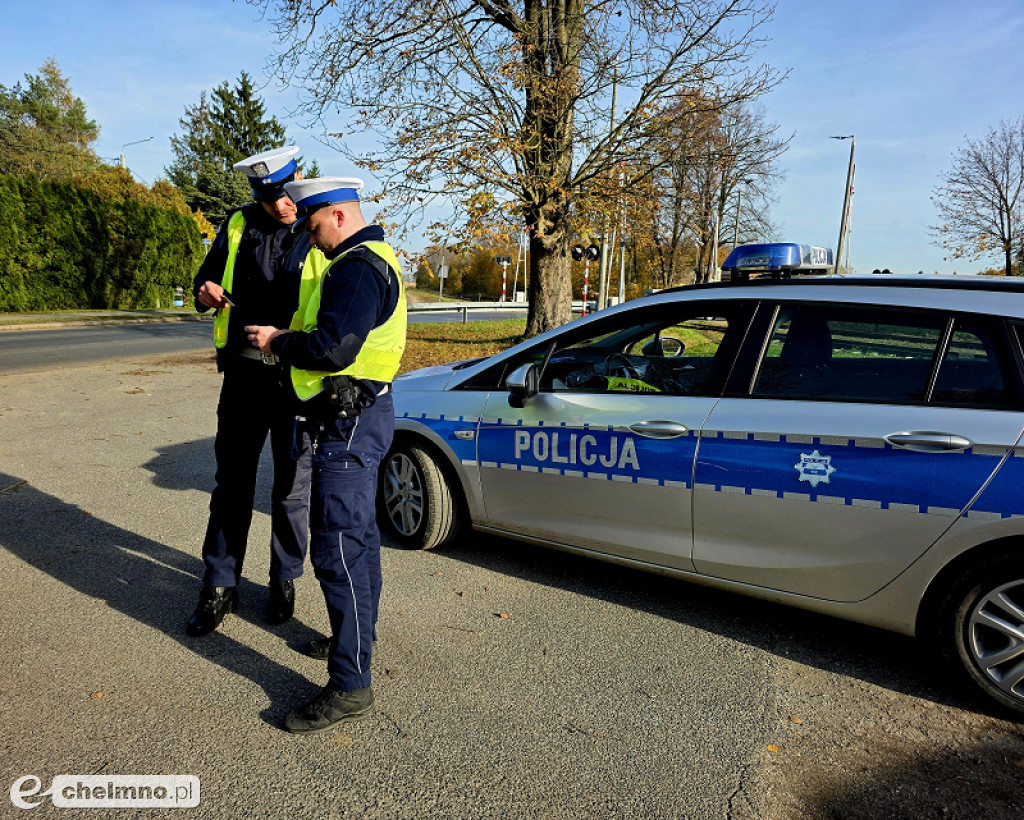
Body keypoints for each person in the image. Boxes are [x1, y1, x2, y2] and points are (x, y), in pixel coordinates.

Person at [246, 176, 407, 734]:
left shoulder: (357, 268)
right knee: (357, 545)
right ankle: (352, 643)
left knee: (339, 552)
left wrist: (276, 341)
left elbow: (333, 346)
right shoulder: (369, 259)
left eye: (313, 226)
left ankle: (350, 686)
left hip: (349, 423)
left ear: (338, 215)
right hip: (355, 416)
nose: (310, 239)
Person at [186, 146, 327, 638]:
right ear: (256, 196)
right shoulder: (238, 223)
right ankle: (220, 585)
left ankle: (283, 580)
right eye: (270, 199)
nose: (282, 206)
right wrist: (204, 291)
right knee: (231, 486)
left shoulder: (320, 221)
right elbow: (205, 278)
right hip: (244, 377)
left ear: (299, 179)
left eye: (287, 194)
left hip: (295, 379)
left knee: (292, 489)